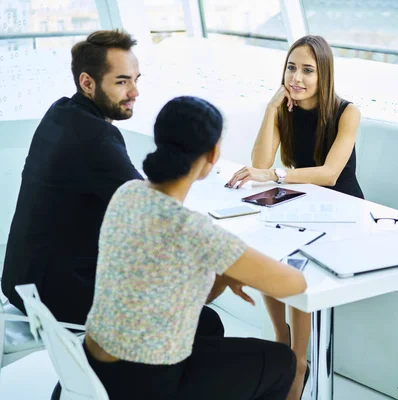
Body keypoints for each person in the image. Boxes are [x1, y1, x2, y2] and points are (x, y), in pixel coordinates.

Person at [83, 96, 307, 400]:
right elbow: (294, 283)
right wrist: (234, 267)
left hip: (92, 364)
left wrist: (225, 276)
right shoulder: (194, 230)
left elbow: (177, 290)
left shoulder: (127, 192)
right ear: (213, 154)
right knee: (283, 362)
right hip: (142, 382)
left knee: (208, 324)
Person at [226, 34, 363, 400]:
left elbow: (331, 174)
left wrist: (276, 176)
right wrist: (272, 108)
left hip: (342, 210)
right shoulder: (285, 108)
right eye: (291, 68)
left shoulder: (347, 112)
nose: (296, 78)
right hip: (302, 201)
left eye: (307, 70)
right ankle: (281, 342)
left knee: (295, 265)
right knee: (265, 252)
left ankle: (298, 363)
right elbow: (259, 163)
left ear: (324, 75)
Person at [2, 30, 143, 325]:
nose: (134, 92)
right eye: (122, 81)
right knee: (202, 320)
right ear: (87, 83)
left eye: (135, 79)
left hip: (21, 282)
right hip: (55, 295)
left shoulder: (61, 112)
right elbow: (151, 208)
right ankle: (122, 372)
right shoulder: (96, 135)